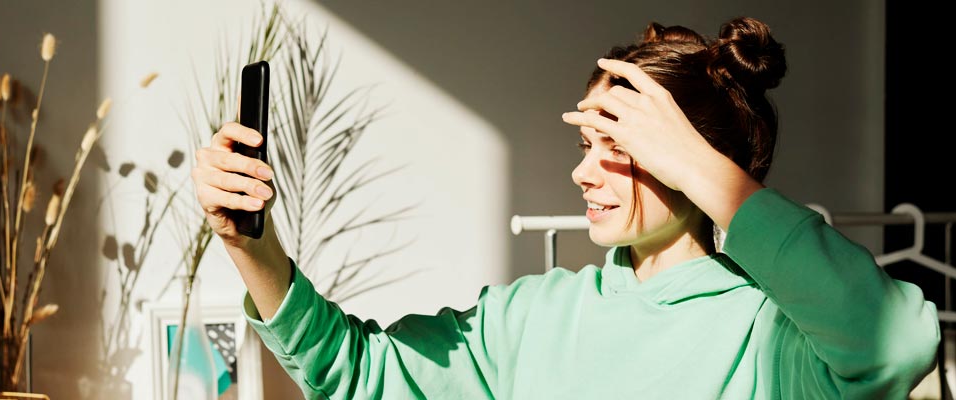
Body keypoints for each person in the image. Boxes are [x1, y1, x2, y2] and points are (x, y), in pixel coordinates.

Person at [190, 16, 940, 399]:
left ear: (690, 156)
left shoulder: (768, 335)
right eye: (583, 140)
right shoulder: (533, 319)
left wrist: (698, 165)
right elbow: (358, 374)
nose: (583, 172)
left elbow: (896, 343)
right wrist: (248, 246)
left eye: (615, 142)